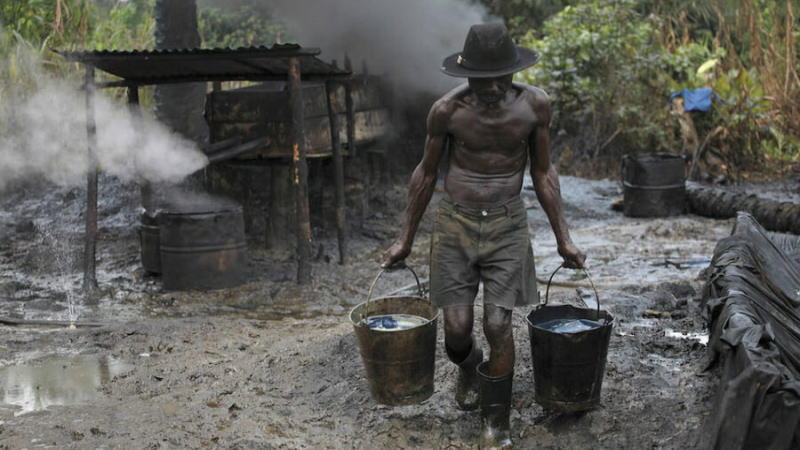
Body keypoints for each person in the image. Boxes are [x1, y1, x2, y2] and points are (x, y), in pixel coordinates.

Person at [380, 23, 586, 449]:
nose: (491, 87)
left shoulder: (534, 107)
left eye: (499, 77)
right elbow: (425, 174)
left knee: (498, 323)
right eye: (481, 79)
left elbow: (543, 173)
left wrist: (564, 239)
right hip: (455, 221)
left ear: (513, 72)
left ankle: (495, 425)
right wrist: (405, 239)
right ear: (466, 75)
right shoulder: (447, 111)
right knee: (456, 332)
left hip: (507, 224)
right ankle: (470, 366)